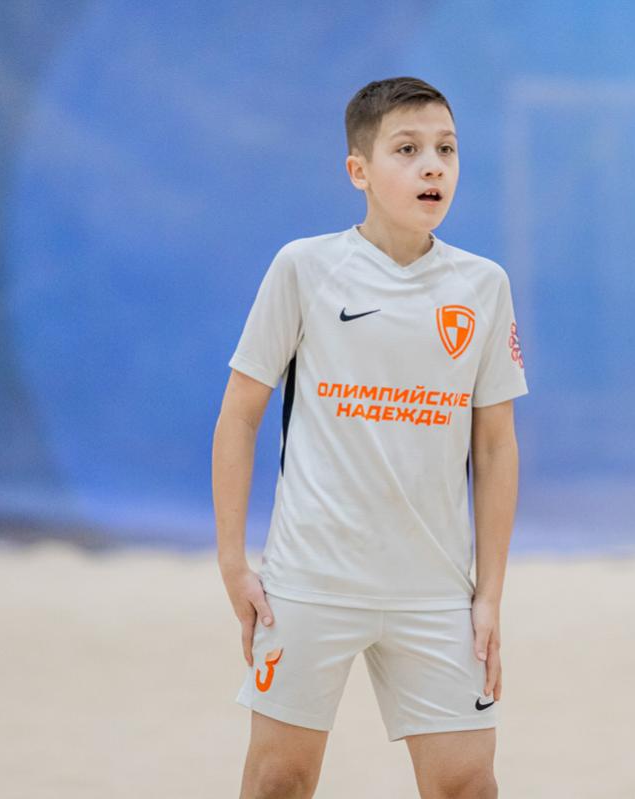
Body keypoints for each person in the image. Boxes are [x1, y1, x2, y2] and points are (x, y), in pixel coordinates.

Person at [212, 76, 527, 799]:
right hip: (312, 579)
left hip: (434, 589)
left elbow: (495, 446)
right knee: (279, 780)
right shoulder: (305, 268)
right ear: (358, 170)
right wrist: (233, 563)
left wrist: (489, 594)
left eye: (446, 149)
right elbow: (239, 414)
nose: (432, 166)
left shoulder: (483, 285)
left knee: (468, 785)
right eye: (407, 149)